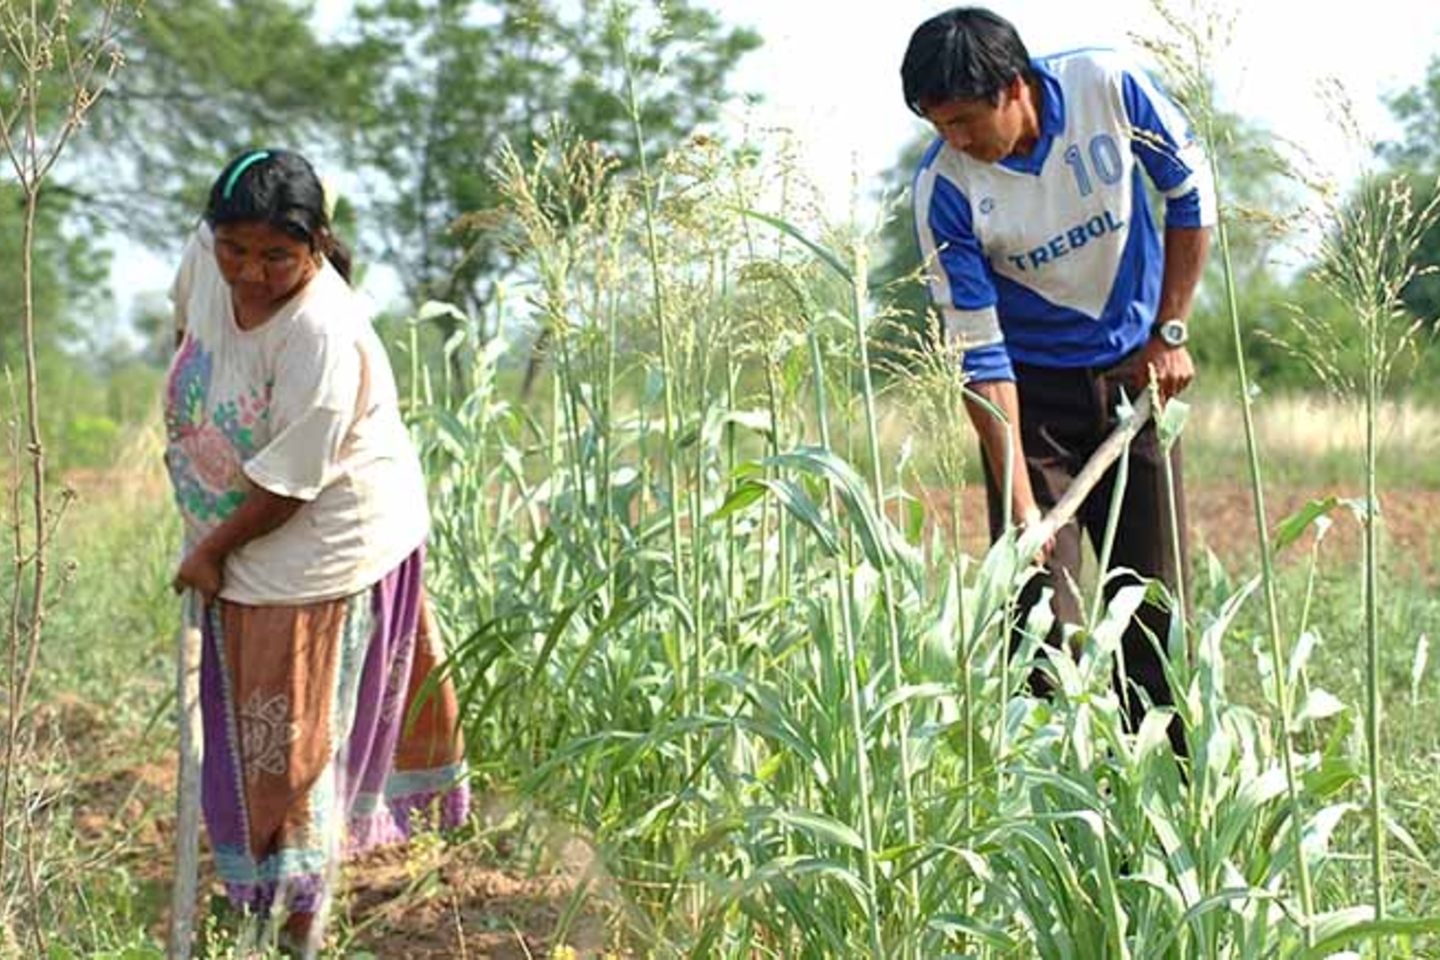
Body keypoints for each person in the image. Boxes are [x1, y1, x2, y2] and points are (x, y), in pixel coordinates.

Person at [165, 148, 469, 952]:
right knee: (255, 740)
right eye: (235, 249)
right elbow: (190, 329)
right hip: (242, 540)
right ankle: (261, 902)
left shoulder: (323, 332)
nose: (250, 273)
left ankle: (297, 922)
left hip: (325, 548)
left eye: (277, 256)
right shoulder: (207, 259)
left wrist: (210, 551)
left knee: (295, 749)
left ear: (317, 245)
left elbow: (291, 485)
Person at [900, 8, 1214, 741]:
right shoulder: (945, 190)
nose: (955, 140)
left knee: (1155, 615)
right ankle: (1055, 796)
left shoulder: (1108, 85)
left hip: (1138, 379)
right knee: (1041, 625)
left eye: (964, 120)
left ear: (1014, 88)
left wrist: (1170, 331)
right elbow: (980, 355)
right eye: (938, 125)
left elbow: (1189, 190)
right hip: (1031, 405)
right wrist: (1021, 505)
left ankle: (1166, 793)